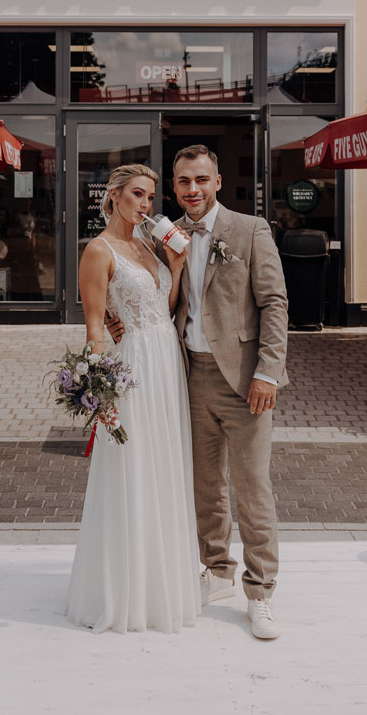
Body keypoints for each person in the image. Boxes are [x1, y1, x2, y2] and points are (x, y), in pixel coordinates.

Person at [66, 163, 200, 635]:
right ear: (114, 194)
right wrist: (99, 390)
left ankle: (162, 585)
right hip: (136, 368)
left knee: (163, 464)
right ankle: (124, 592)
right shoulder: (97, 251)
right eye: (138, 195)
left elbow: (161, 308)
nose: (146, 204)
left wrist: (177, 266)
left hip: (166, 362)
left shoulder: (147, 245)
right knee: (133, 466)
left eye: (150, 196)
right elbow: (96, 327)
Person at [171, 145, 288, 641]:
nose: (191, 190)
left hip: (244, 381)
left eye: (200, 180)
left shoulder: (250, 229)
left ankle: (260, 592)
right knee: (205, 485)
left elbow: (275, 303)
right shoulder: (168, 234)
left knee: (252, 487)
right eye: (182, 182)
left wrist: (268, 372)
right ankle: (215, 570)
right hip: (189, 375)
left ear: (217, 181)